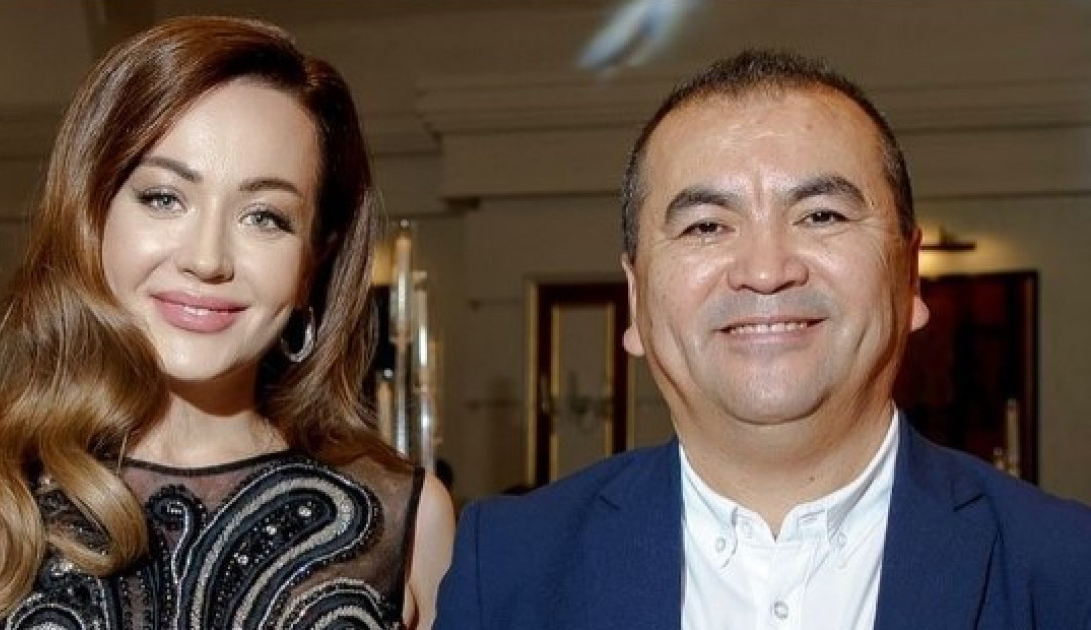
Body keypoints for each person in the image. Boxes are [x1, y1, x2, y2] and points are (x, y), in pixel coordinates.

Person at [435, 49, 1091, 629]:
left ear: (909, 275)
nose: (767, 270)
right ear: (636, 298)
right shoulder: (510, 569)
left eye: (821, 215)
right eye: (705, 226)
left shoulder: (1066, 570)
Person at [0, 16, 453, 629]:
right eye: (164, 198)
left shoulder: (405, 519)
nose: (207, 259)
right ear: (91, 217)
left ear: (313, 259)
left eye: (265, 216)